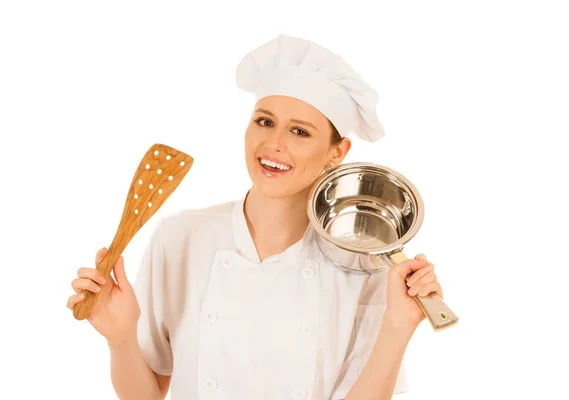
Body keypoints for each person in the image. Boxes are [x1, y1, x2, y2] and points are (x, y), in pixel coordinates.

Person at [66, 34, 445, 400]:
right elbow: (145, 397)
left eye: (300, 131)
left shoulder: (364, 263)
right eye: (264, 121)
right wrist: (119, 337)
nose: (273, 144)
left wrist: (398, 326)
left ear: (337, 152)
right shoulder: (180, 237)